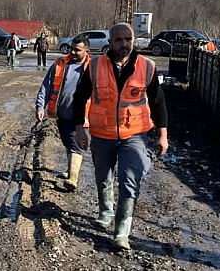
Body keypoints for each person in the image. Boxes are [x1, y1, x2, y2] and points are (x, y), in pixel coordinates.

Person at [72, 23, 168, 251]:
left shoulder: (147, 66)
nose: (124, 44)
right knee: (103, 177)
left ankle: (121, 232)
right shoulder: (94, 66)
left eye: (128, 39)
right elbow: (80, 97)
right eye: (119, 40)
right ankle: (105, 212)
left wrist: (163, 134)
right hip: (102, 134)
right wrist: (79, 129)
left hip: (134, 134)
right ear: (110, 42)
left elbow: (158, 103)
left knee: (129, 181)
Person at [36, 35, 91, 191]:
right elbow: (46, 86)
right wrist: (40, 106)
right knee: (68, 142)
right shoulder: (61, 63)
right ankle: (70, 170)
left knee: (75, 145)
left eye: (77, 50)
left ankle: (73, 178)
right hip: (61, 113)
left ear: (87, 51)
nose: (72, 52)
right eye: (72, 48)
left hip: (81, 115)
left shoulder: (93, 67)